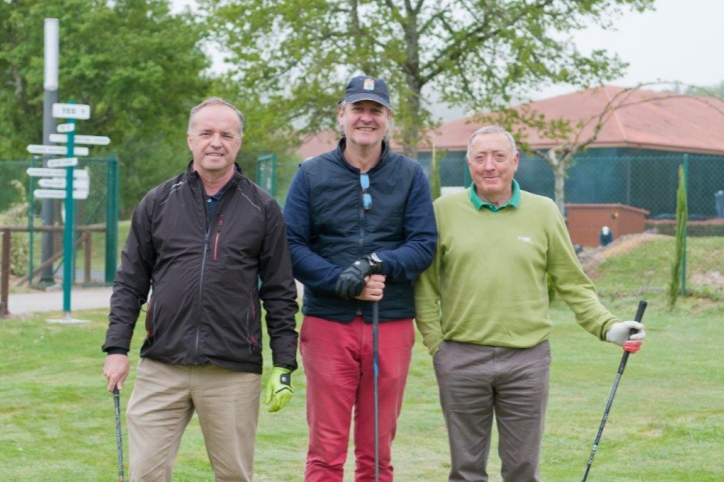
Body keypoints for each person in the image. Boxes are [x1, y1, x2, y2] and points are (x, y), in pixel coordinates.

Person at [414, 125, 646, 482]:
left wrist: (608, 326)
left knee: (523, 470)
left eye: (499, 156)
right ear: (469, 163)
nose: (489, 166)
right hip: (460, 358)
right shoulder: (443, 210)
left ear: (515, 162)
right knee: (465, 471)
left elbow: (573, 283)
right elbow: (425, 286)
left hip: (527, 361)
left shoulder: (543, 211)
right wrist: (437, 346)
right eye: (480, 157)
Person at [102, 97, 299, 482]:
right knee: (145, 475)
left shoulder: (261, 208)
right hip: (162, 365)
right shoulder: (158, 202)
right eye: (206, 132)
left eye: (226, 134)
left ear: (239, 142)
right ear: (190, 139)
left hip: (232, 370)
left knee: (234, 476)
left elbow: (279, 291)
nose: (216, 142)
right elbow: (130, 282)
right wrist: (116, 348)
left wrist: (284, 363)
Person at [283, 75, 437, 481]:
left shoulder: (410, 175)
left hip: (389, 324)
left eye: (376, 111)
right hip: (328, 324)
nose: (366, 118)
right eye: (358, 109)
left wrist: (374, 263)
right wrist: (341, 280)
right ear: (342, 115)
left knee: (376, 452)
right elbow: (292, 245)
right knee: (326, 452)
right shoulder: (311, 174)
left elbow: (423, 244)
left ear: (388, 119)